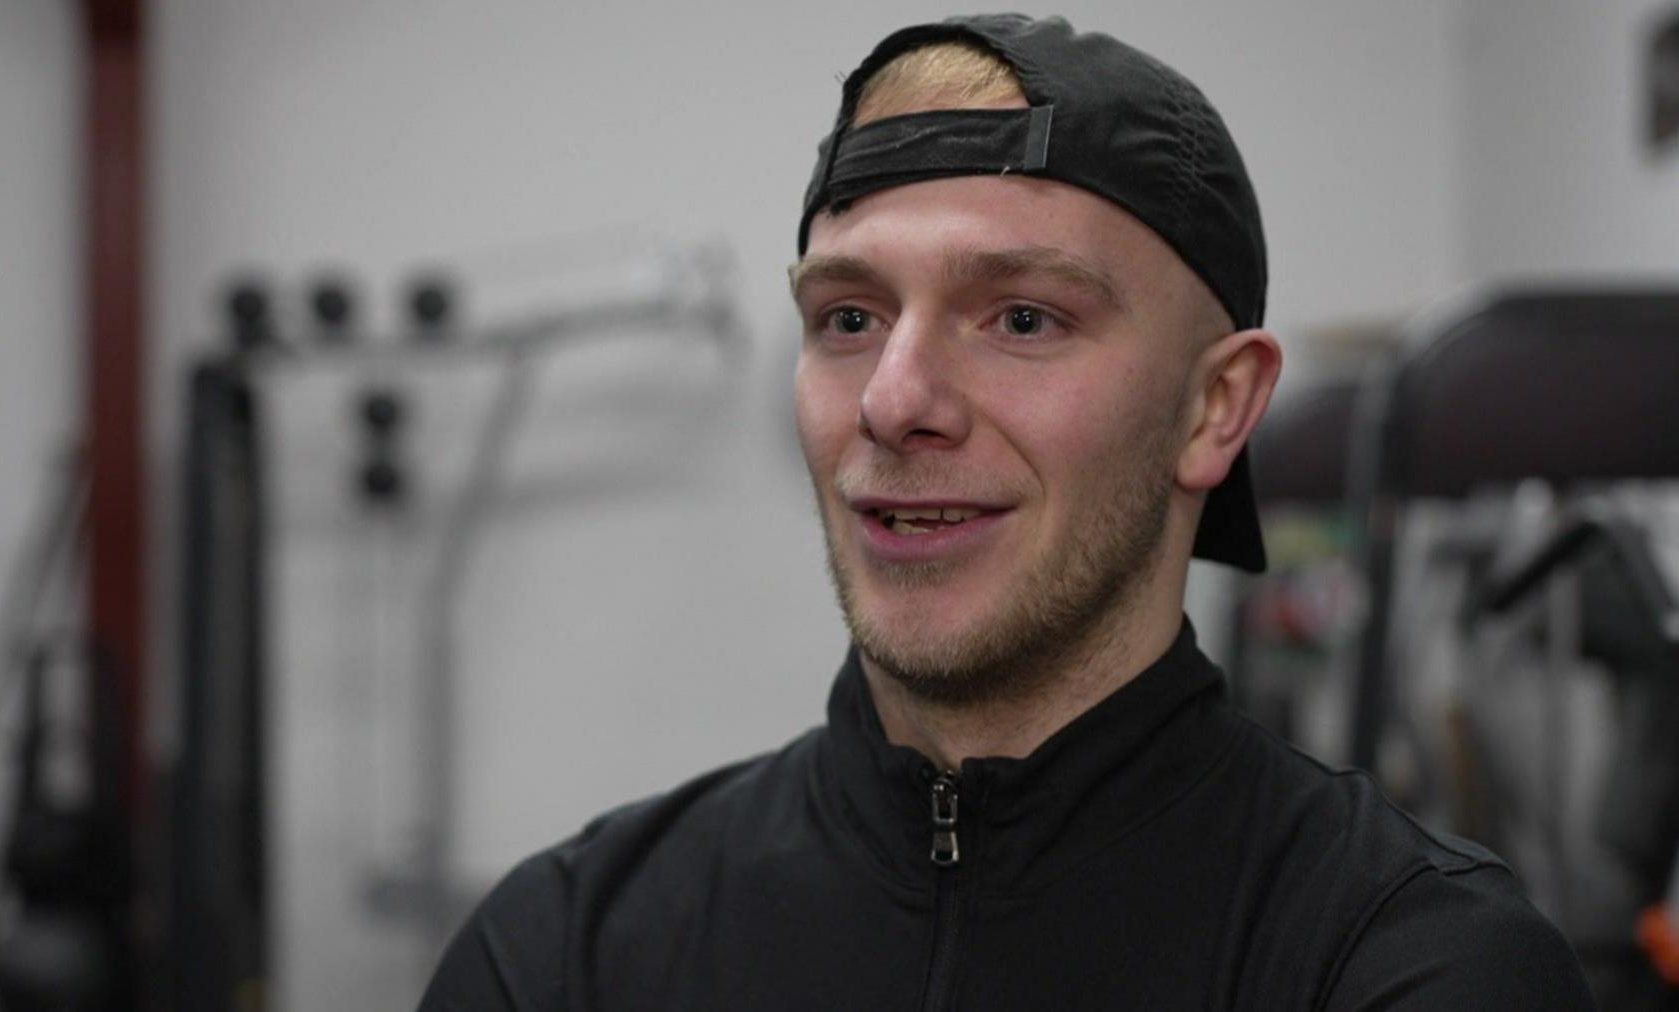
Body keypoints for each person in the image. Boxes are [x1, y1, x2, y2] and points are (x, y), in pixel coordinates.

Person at [421, 14, 1594, 1010]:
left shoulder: (1402, 964)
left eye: (1023, 318)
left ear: (1213, 407)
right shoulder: (569, 951)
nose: (893, 402)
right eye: (847, 318)